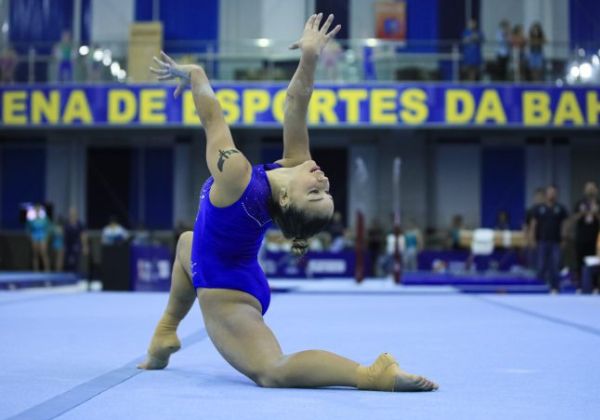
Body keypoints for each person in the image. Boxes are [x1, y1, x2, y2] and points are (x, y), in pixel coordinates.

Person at [139, 13, 437, 392]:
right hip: (229, 267)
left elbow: (213, 122)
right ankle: (165, 331)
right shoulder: (296, 164)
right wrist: (310, 56)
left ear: (284, 198)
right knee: (187, 243)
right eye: (326, 190)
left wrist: (196, 75)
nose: (323, 180)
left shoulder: (237, 177)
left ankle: (368, 374)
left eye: (316, 192)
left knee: (272, 371)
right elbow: (296, 102)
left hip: (226, 291)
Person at [530, 186, 569, 293]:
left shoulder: (560, 208)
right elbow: (534, 224)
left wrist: (564, 238)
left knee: (555, 265)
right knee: (541, 264)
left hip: (556, 241)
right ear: (546, 194)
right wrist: (532, 238)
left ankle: (555, 287)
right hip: (542, 240)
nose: (551, 194)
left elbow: (564, 224)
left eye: (553, 192)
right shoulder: (539, 208)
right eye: (549, 192)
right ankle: (540, 286)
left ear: (556, 194)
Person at [573, 181, 599, 286]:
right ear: (584, 190)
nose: (590, 191)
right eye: (588, 188)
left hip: (596, 238)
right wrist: (582, 213)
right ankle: (580, 285)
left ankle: (595, 285)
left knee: (596, 263)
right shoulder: (580, 203)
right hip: (582, 237)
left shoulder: (598, 203)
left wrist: (596, 213)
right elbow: (573, 219)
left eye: (592, 188)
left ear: (596, 190)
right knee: (580, 262)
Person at [26, 204, 51, 272]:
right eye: (36, 209)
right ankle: (35, 271)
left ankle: (47, 270)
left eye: (38, 209)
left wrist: (46, 238)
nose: (37, 211)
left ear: (40, 210)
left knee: (43, 252)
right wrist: (31, 237)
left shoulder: (44, 219)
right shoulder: (32, 220)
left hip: (42, 236)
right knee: (35, 254)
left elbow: (48, 228)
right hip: (35, 237)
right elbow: (28, 229)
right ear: (34, 210)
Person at [64, 207, 88, 273]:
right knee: (67, 261)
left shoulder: (80, 224)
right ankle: (68, 274)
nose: (72, 215)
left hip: (76, 244)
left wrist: (85, 246)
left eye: (74, 214)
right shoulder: (66, 224)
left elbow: (83, 235)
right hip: (68, 245)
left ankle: (76, 274)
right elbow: (64, 235)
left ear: (76, 215)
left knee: (75, 260)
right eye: (71, 214)